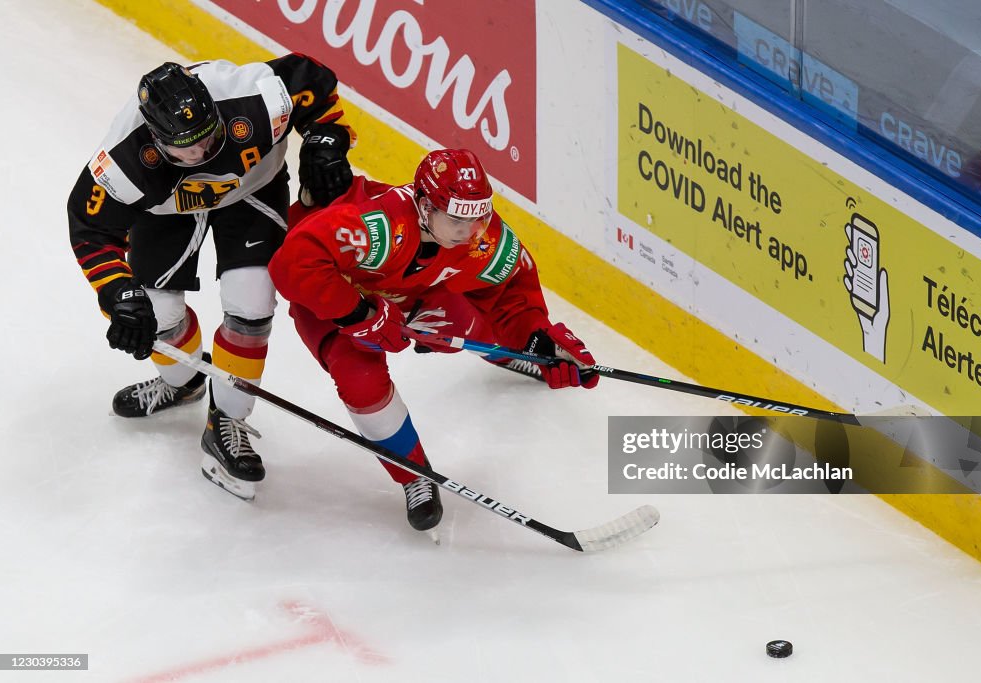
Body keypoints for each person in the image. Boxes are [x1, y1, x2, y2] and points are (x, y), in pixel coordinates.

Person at [67, 55, 357, 501]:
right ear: (155, 138)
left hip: (252, 189)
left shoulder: (255, 98)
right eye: (187, 148)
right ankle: (182, 385)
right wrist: (119, 292)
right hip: (168, 210)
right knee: (158, 313)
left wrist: (325, 138)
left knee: (254, 302)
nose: (202, 154)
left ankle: (227, 422)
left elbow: (312, 80)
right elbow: (90, 229)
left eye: (209, 137)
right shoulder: (125, 161)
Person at [268, 148, 598, 532]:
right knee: (360, 380)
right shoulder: (380, 227)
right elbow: (293, 263)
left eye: (479, 217)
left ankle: (506, 356)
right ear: (425, 206)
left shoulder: (479, 237)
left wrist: (538, 340)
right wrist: (357, 314)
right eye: (458, 219)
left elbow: (509, 296)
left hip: (407, 296)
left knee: (462, 320)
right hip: (334, 297)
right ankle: (413, 475)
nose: (470, 232)